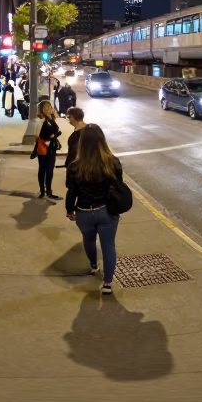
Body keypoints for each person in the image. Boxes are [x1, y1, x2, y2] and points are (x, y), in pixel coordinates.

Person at [65, 125, 122, 295]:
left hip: (83, 211)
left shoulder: (74, 166)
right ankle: (107, 284)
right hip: (106, 211)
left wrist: (69, 209)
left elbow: (72, 191)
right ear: (101, 140)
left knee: (88, 240)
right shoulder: (112, 162)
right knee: (108, 246)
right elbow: (118, 186)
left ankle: (94, 266)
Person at [29, 100, 62, 200]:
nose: (47, 109)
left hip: (51, 147)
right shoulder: (40, 120)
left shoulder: (51, 118)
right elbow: (36, 135)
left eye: (49, 107)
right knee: (43, 169)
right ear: (41, 109)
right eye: (45, 107)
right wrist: (47, 139)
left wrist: (54, 136)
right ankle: (42, 191)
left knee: (50, 170)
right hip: (43, 147)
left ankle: (49, 191)